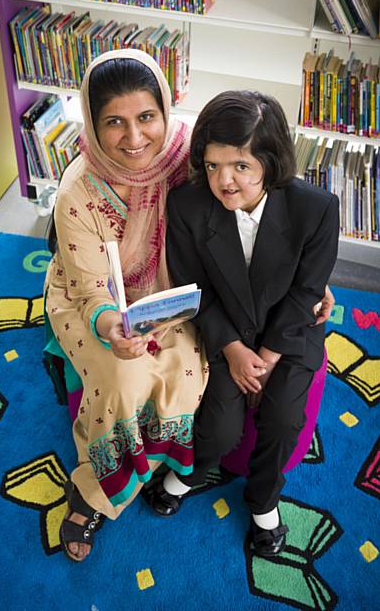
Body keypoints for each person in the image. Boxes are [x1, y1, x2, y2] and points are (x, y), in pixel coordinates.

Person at [149, 90, 340, 558]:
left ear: (270, 163)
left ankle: (263, 503)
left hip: (289, 334)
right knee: (216, 426)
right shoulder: (188, 206)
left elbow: (306, 291)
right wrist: (234, 350)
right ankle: (189, 473)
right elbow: (196, 290)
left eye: (240, 166)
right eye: (212, 166)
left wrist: (270, 355)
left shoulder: (317, 208)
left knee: (282, 419)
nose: (224, 180)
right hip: (225, 330)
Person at [44, 48, 209, 562]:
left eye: (146, 118)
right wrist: (112, 326)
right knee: (121, 379)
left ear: (165, 109)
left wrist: (308, 278)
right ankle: (94, 491)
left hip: (170, 297)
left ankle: (145, 465)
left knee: (181, 372)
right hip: (88, 299)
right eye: (114, 122)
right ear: (92, 125)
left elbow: (254, 209)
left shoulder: (191, 161)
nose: (134, 139)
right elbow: (90, 286)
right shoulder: (78, 189)